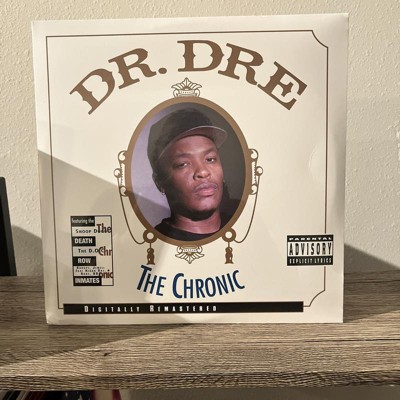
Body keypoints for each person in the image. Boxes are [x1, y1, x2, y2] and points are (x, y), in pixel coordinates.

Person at [147, 108, 232, 241]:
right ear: (159, 182)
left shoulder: (247, 227)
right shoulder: (154, 244)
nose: (203, 172)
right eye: (183, 164)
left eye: (210, 159)